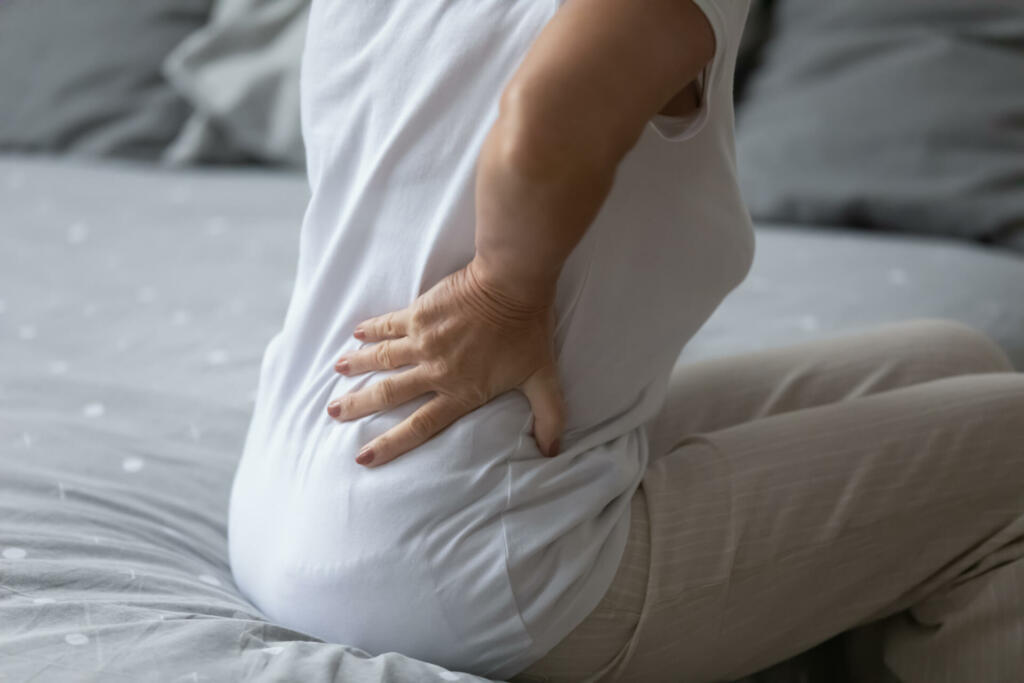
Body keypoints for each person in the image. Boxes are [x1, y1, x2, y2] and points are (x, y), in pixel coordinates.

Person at [227, 0, 1024, 680]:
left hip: (292, 504)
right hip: (467, 569)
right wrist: (500, 292)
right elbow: (546, 120)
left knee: (953, 359)